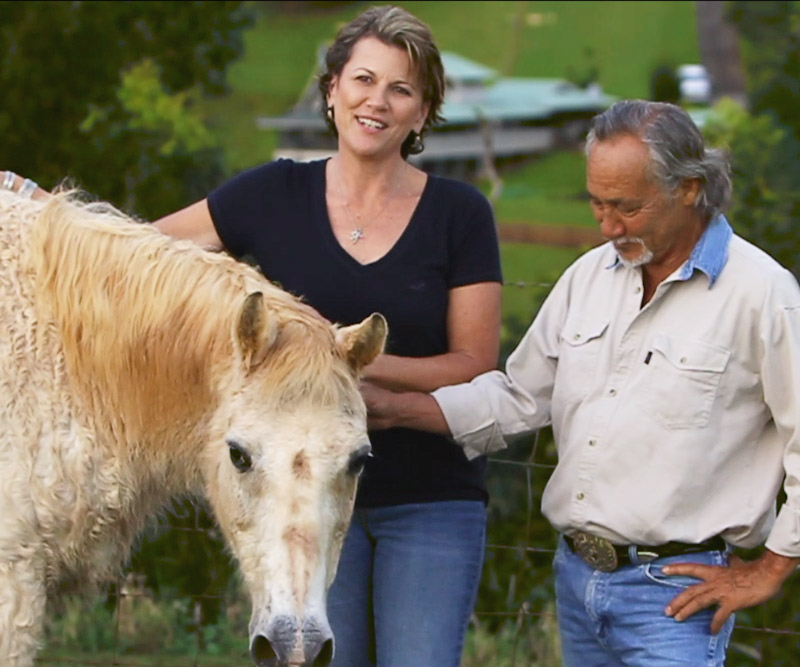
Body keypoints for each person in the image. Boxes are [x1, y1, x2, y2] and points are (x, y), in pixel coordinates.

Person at [0, 6, 501, 665]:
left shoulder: (457, 213)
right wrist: (37, 213)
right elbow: (140, 258)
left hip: (425, 497)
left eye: (401, 89)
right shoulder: (273, 193)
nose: (376, 101)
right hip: (296, 493)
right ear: (331, 89)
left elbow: (475, 362)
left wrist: (341, 366)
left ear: (422, 110)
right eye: (363, 79)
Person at [363, 99, 800, 665]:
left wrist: (771, 567)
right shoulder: (588, 277)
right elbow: (519, 397)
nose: (607, 225)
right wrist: (394, 409)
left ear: (690, 188)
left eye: (627, 207)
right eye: (596, 203)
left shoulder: (763, 294)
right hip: (575, 582)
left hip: (677, 598)